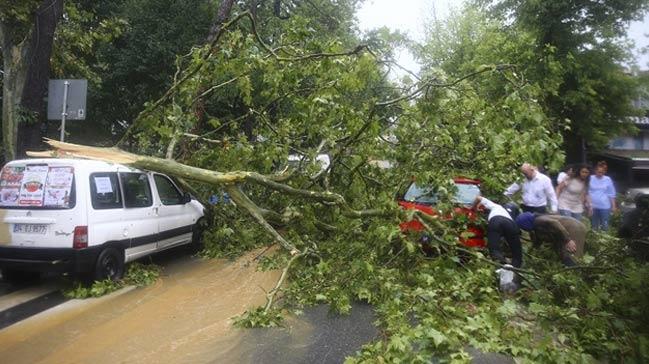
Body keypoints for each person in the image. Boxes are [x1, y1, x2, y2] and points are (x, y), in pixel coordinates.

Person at [515, 212, 586, 266]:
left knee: (572, 256)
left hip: (574, 229)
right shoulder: (536, 226)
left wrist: (568, 240)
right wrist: (530, 255)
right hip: (567, 230)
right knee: (563, 253)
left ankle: (576, 274)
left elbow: (555, 223)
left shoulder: (539, 220)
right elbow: (536, 243)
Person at [473, 195, 522, 268]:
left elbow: (478, 197)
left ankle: (500, 267)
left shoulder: (495, 206)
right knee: (517, 254)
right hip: (511, 224)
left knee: (494, 249)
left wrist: (474, 207)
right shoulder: (502, 209)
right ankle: (514, 272)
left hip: (496, 221)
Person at [588, 164, 617, 231]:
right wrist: (587, 204)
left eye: (602, 172)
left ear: (604, 172)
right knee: (594, 225)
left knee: (605, 224)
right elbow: (586, 192)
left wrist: (613, 206)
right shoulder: (590, 178)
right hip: (592, 206)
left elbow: (611, 193)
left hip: (605, 206)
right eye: (599, 172)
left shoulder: (608, 179)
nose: (600, 173)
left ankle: (605, 239)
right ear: (595, 171)